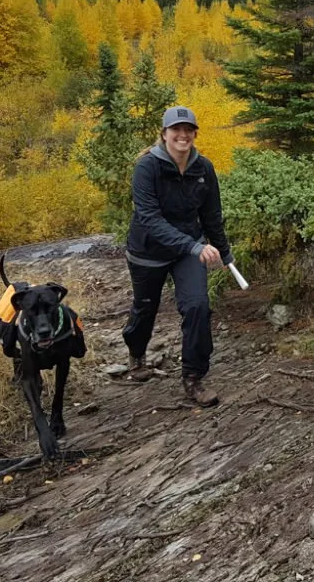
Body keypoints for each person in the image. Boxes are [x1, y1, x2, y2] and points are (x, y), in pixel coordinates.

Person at [122, 105, 233, 407]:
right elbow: (149, 218)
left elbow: (212, 214)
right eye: (176, 130)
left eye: (188, 130)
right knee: (145, 309)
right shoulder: (148, 167)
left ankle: (193, 378)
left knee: (197, 306)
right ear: (165, 133)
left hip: (188, 250)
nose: (182, 135)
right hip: (148, 251)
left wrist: (223, 251)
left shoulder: (203, 168)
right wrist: (195, 247)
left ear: (194, 133)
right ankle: (136, 352)